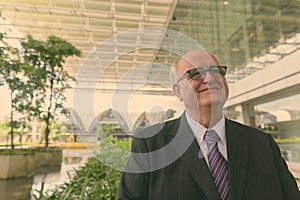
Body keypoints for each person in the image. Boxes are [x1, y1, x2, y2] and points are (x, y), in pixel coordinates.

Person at [118, 50, 300, 200]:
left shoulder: (263, 143)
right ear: (178, 91)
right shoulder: (151, 144)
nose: (210, 78)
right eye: (195, 73)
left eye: (217, 71)